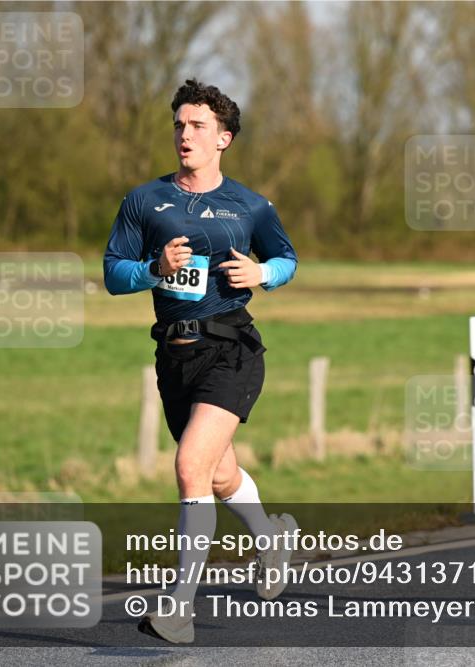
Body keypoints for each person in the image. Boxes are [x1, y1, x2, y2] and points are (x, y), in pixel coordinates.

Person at [103, 79, 298, 643]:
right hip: (174, 354)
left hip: (231, 346)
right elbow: (114, 272)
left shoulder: (252, 205)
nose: (184, 135)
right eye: (179, 125)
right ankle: (271, 538)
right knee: (217, 473)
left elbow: (286, 258)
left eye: (198, 126)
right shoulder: (143, 201)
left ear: (224, 138)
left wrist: (261, 274)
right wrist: (154, 269)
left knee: (190, 467)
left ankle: (179, 610)